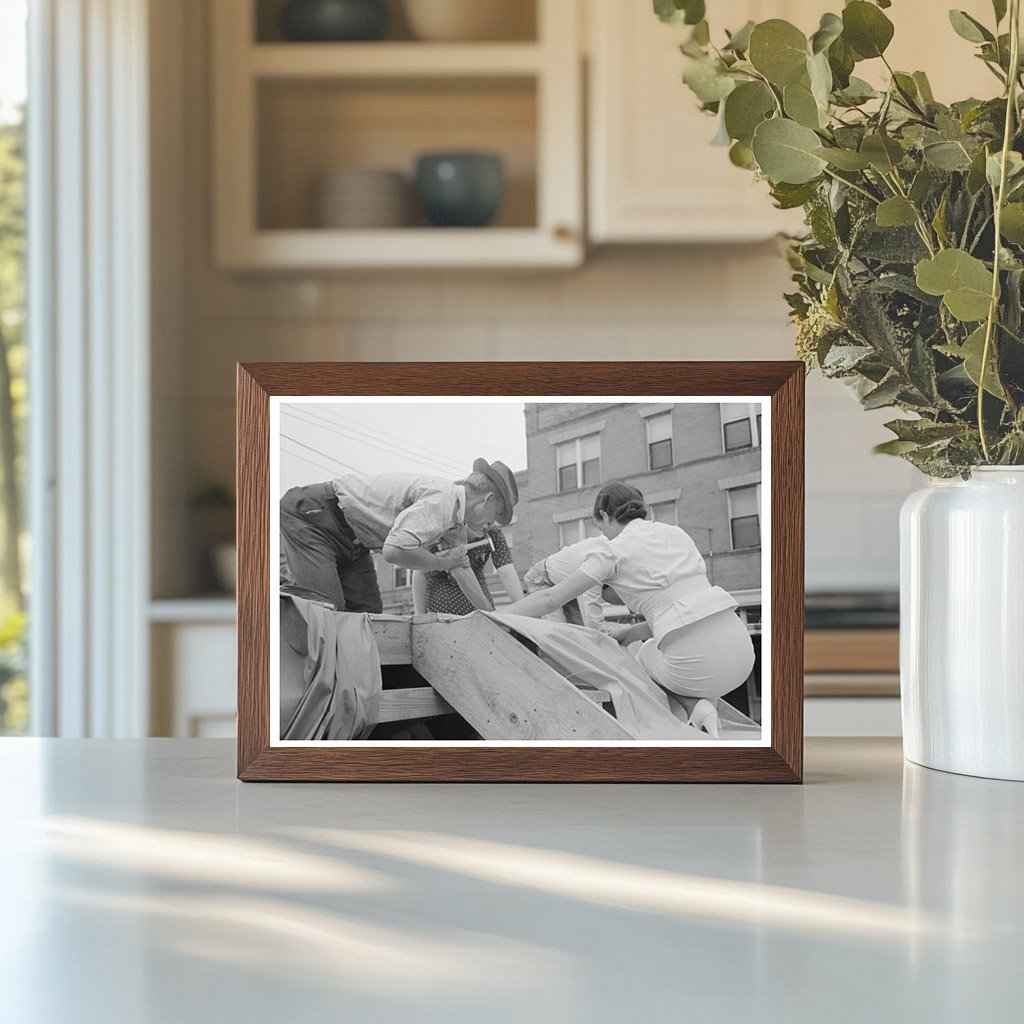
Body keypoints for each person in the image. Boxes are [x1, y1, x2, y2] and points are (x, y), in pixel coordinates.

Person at [503, 481, 755, 734]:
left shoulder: (611, 550)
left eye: (599, 525)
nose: (601, 533)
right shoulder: (676, 534)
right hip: (743, 654)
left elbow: (549, 600)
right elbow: (686, 609)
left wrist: (496, 615)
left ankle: (694, 707)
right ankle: (703, 711)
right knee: (650, 645)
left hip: (696, 667)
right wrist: (630, 633)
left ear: (603, 515)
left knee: (643, 655)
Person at [279, 458, 519, 614]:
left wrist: (491, 617)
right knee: (326, 613)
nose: (491, 523)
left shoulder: (454, 523)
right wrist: (439, 562)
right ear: (486, 500)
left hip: (356, 541)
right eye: (495, 514)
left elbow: (462, 569)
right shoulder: (442, 501)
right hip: (317, 516)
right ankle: (280, 596)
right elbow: (395, 551)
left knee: (367, 615)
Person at [412, 525, 524, 616]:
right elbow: (419, 572)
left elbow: (507, 573)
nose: (487, 523)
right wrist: (420, 616)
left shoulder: (491, 532)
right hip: (440, 611)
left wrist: (523, 610)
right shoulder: (438, 531)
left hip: (480, 609)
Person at [523, 536, 610, 630]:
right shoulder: (599, 562)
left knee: (580, 629)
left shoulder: (613, 545)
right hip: (542, 579)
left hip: (565, 581)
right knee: (559, 630)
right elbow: (593, 619)